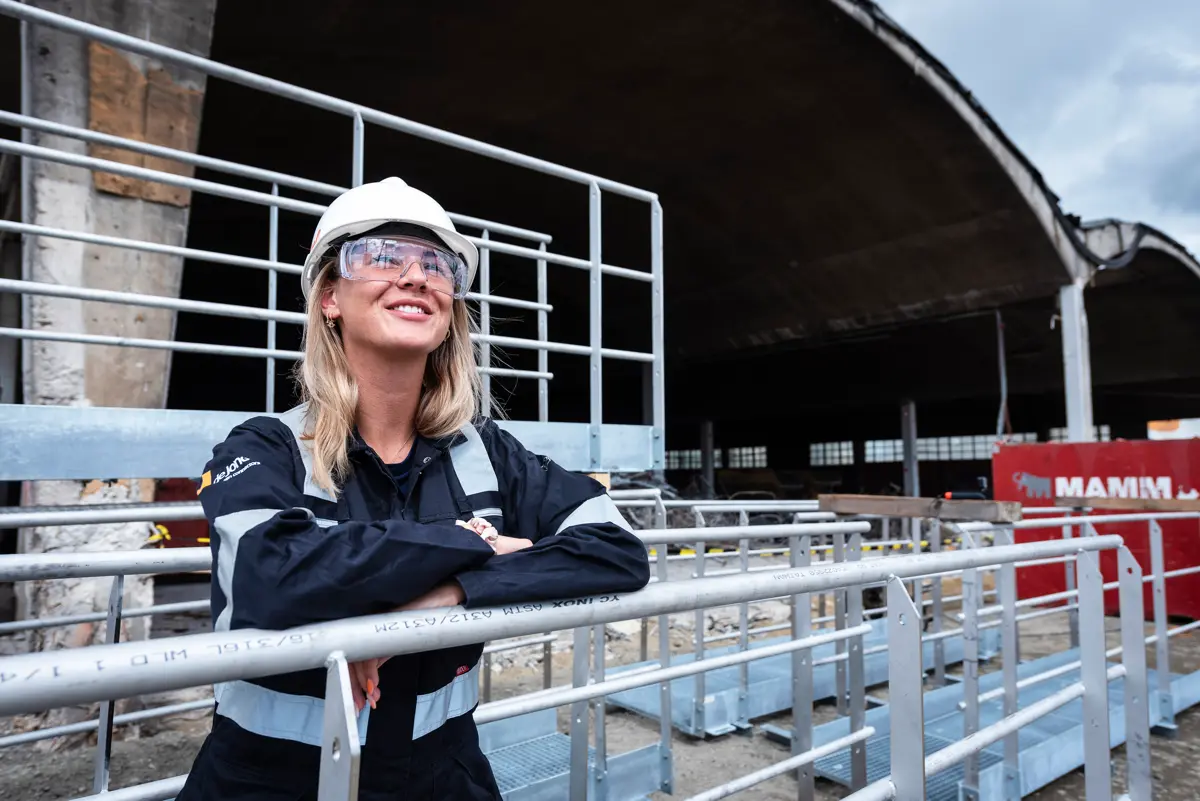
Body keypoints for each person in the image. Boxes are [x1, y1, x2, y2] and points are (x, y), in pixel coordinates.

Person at [176, 176, 651, 800]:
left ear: (451, 305)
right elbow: (274, 575)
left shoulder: (487, 452)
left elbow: (616, 551)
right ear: (329, 297)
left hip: (443, 772)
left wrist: (441, 596)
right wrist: (470, 541)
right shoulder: (265, 448)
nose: (416, 275)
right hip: (272, 779)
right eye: (380, 255)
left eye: (436, 263)